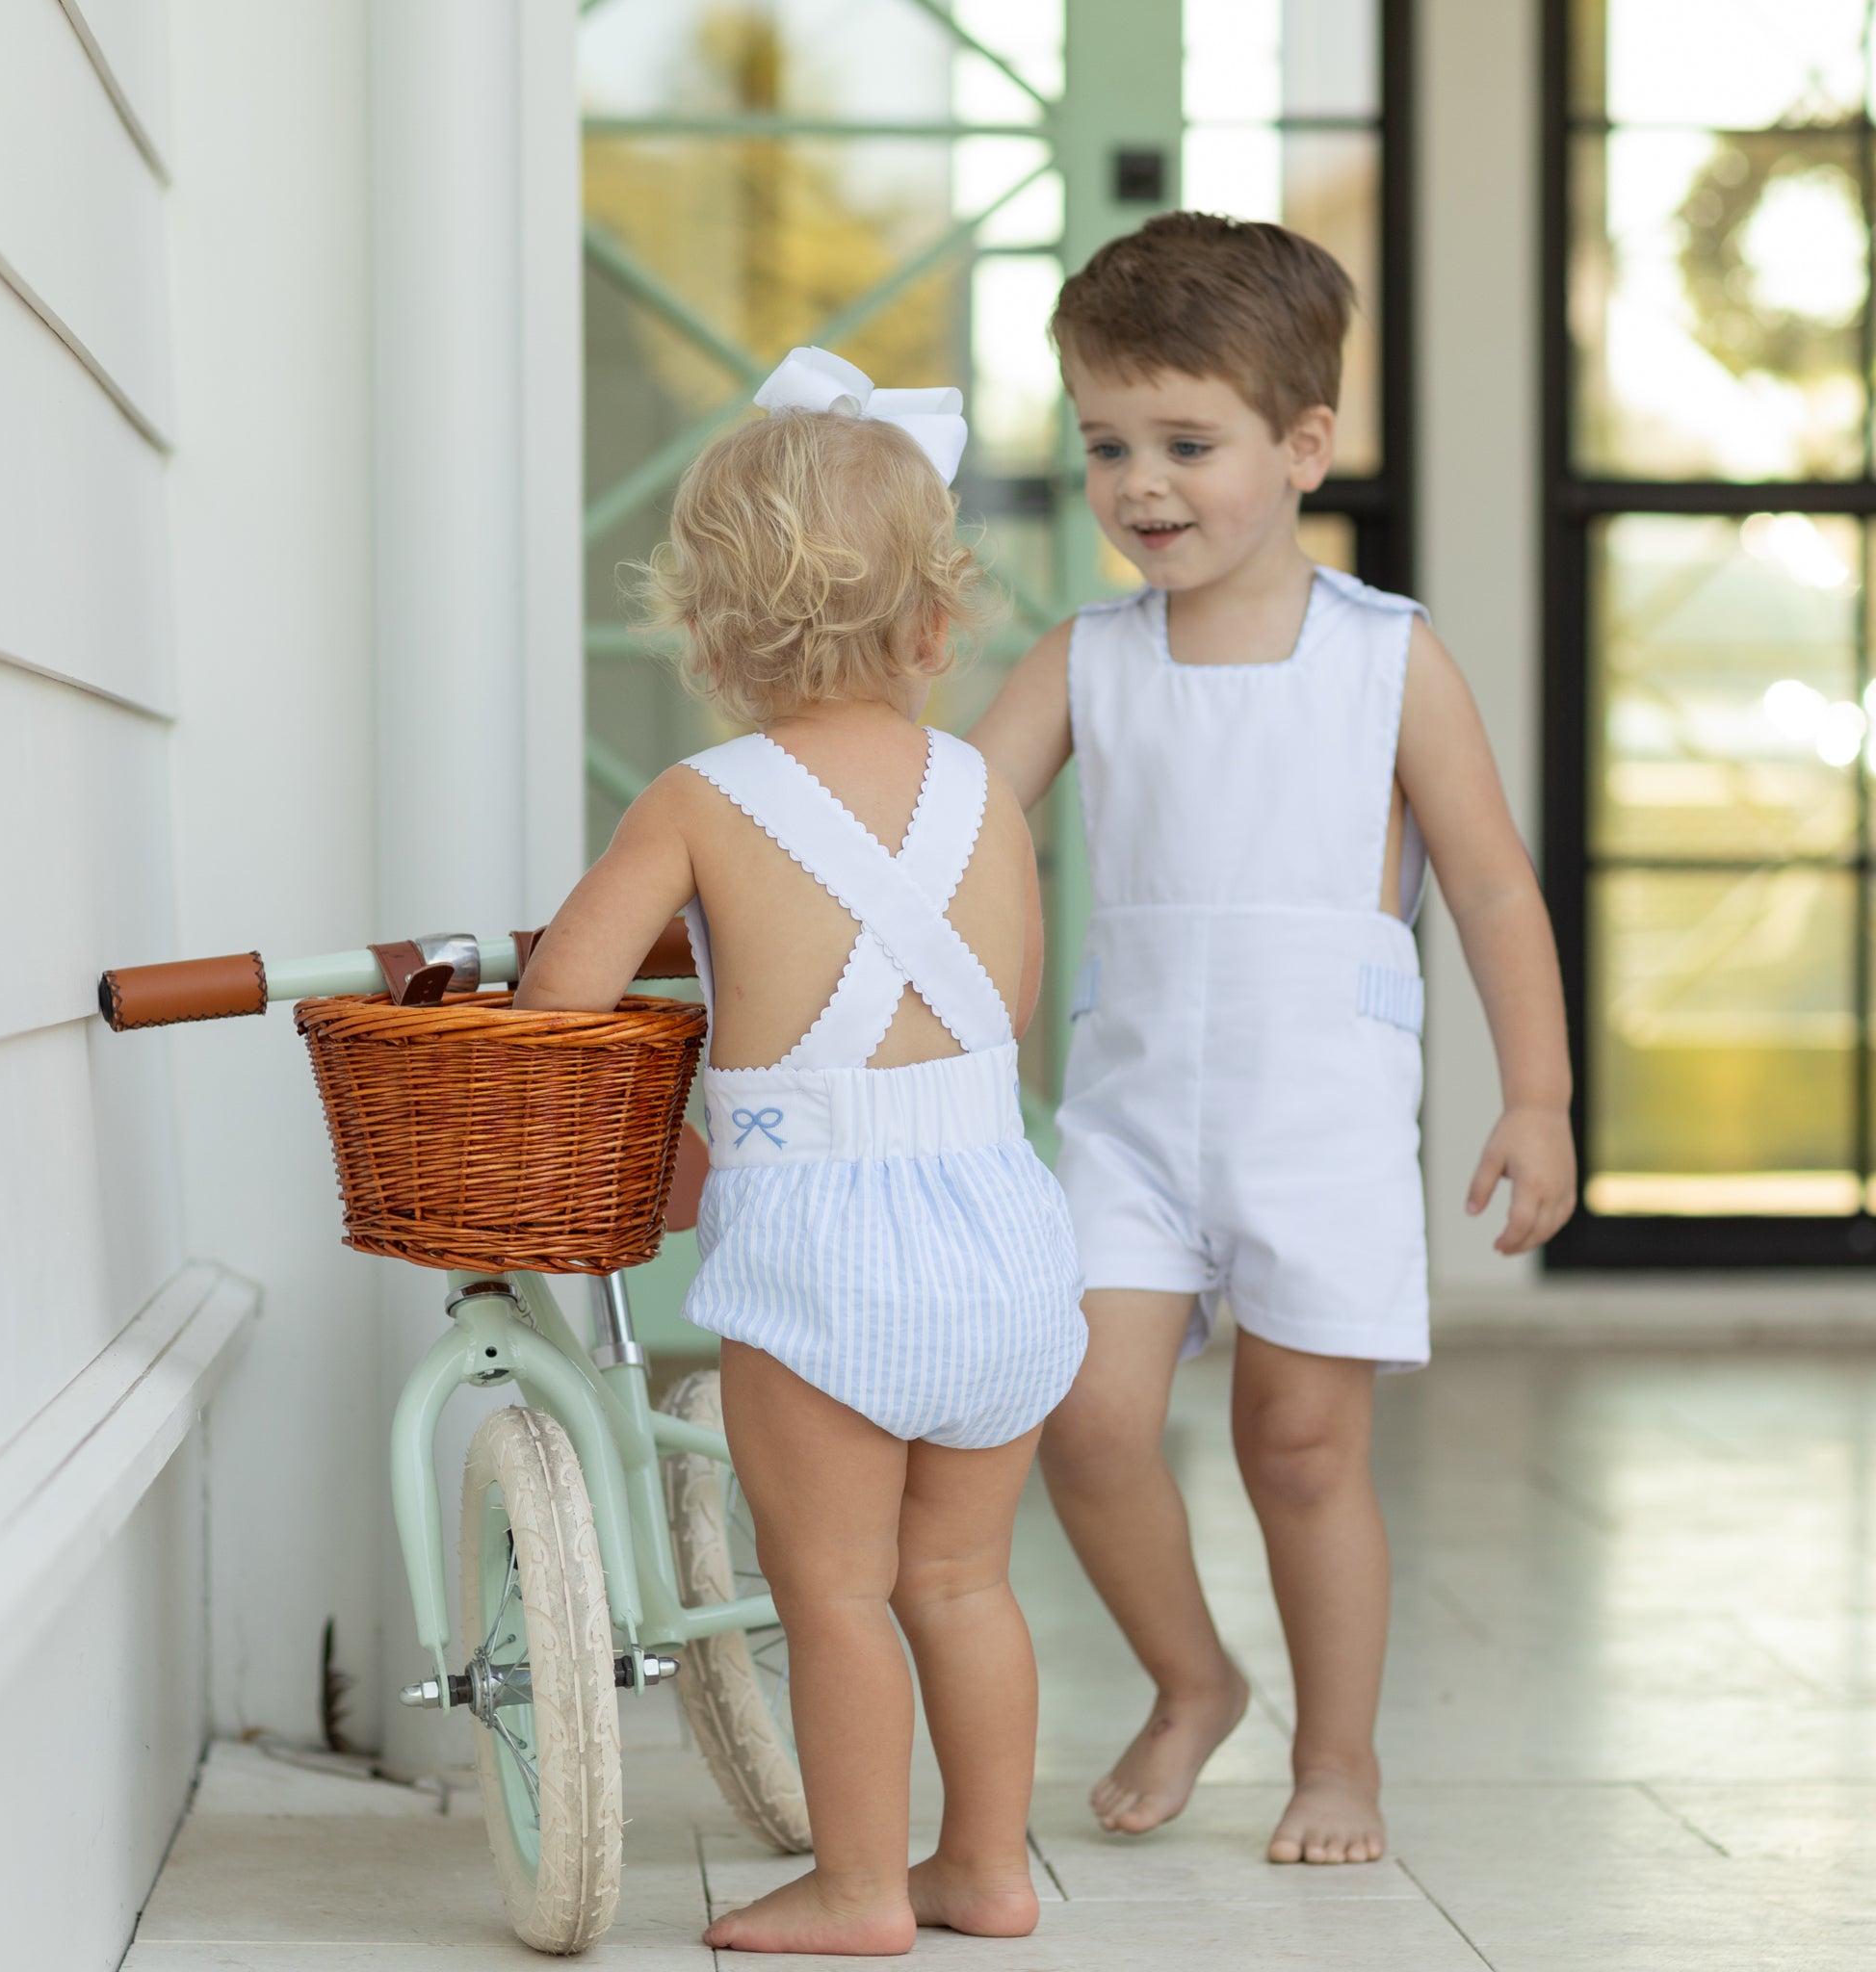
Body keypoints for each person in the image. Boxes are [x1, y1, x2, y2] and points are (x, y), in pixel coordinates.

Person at [968, 213, 1576, 1867]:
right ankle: (1189, 1681)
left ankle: (1340, 1761)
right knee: (1084, 1419)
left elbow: (1497, 890)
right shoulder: (1089, 659)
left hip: (1319, 1119)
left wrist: (1538, 1098)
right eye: (1106, 445)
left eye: (1187, 443)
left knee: (1299, 1449)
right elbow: (951, 825)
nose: (1141, 484)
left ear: (1304, 447)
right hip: (1133, 1117)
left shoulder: (1389, 658)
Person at [517, 347, 1088, 1955]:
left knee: (832, 1590)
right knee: (961, 1583)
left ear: (706, 632)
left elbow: (571, 992)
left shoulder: (700, 801)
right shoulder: (983, 789)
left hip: (824, 1248)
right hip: (997, 1226)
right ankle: (984, 1870)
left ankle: (856, 1891)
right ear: (935, 621)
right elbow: (1012, 1011)